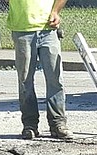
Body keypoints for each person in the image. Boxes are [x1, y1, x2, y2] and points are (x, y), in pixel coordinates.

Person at [7, 0, 70, 140]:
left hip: (49, 30)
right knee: (25, 81)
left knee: (55, 78)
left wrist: (55, 11)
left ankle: (58, 123)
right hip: (22, 29)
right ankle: (30, 125)